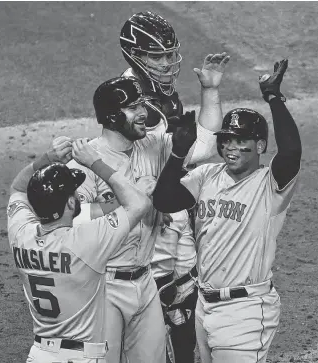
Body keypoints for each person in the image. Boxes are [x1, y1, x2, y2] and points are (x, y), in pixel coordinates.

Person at [68, 50, 228, 363]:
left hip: (145, 283)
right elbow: (70, 222)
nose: (143, 113)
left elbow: (206, 144)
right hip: (104, 285)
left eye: (142, 104)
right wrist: (124, 202)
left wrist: (210, 91)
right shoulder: (86, 160)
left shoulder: (152, 146)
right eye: (133, 107)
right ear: (113, 116)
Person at [153, 59, 302, 363]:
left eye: (241, 141)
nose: (231, 148)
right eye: (226, 141)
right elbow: (164, 201)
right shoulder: (207, 175)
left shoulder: (269, 184)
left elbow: (291, 152)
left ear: (260, 145)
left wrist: (274, 97)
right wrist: (179, 152)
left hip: (245, 311)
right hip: (204, 307)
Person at [120, 11, 230, 363]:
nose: (167, 63)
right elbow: (197, 149)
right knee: (159, 298)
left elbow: (195, 149)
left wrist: (209, 92)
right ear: (134, 54)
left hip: (170, 206)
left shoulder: (158, 95)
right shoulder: (131, 104)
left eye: (170, 54)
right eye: (157, 55)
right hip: (149, 219)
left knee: (183, 295)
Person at [7, 136, 152, 363]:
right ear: (71, 203)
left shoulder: (20, 233)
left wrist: (47, 159)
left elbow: (18, 186)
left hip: (39, 355)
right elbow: (139, 204)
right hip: (80, 357)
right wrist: (96, 163)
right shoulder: (87, 241)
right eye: (74, 193)